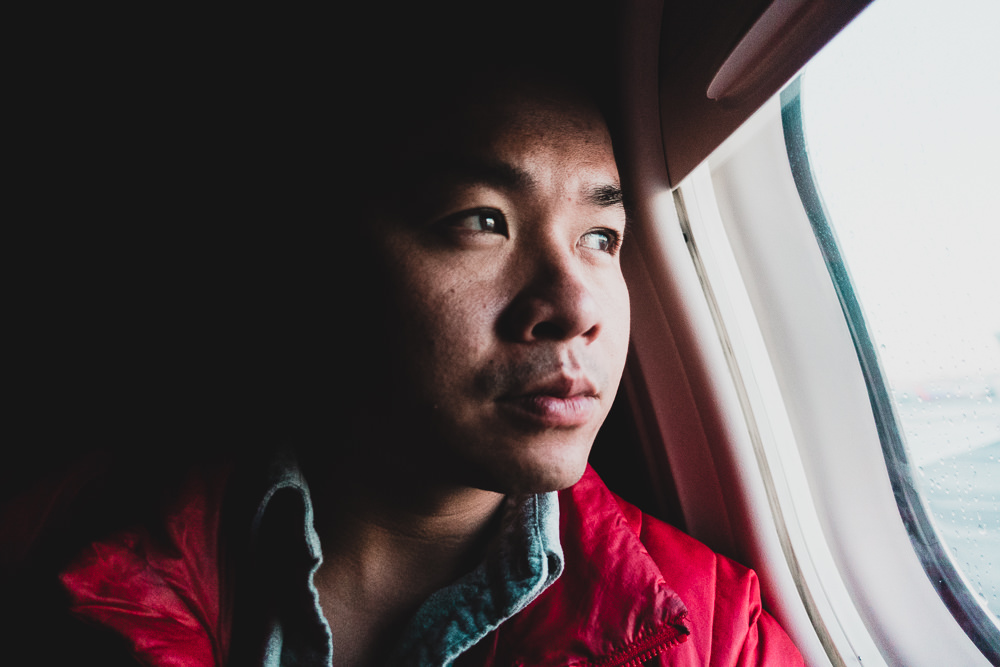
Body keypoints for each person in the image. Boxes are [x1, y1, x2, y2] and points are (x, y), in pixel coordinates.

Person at [4, 7, 804, 666]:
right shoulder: (46, 544)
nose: (575, 304)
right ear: (319, 259)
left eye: (602, 235)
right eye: (482, 221)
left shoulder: (715, 631)